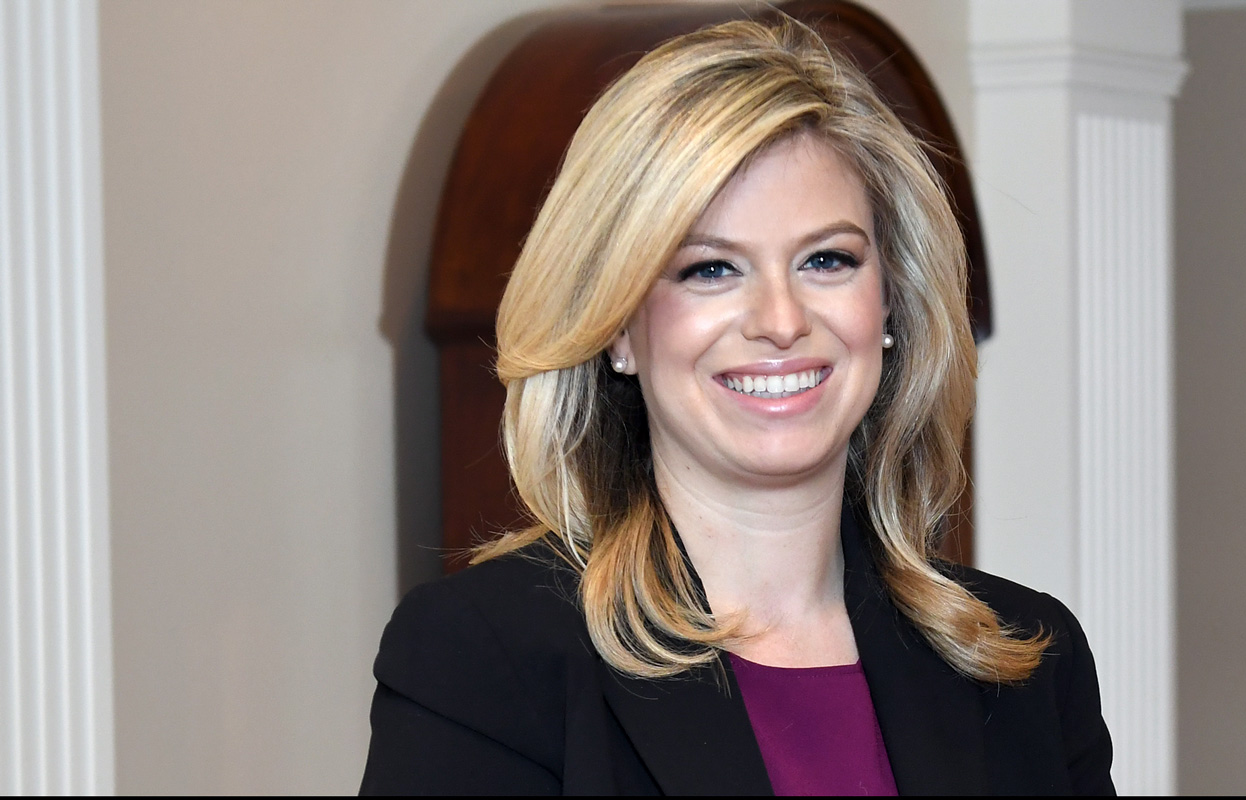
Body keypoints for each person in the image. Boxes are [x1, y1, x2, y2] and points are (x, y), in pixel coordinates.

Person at [360, 18, 1113, 796]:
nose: (781, 321)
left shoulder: (1026, 663)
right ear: (617, 326)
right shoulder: (484, 660)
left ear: (890, 302)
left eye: (827, 260)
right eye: (711, 269)